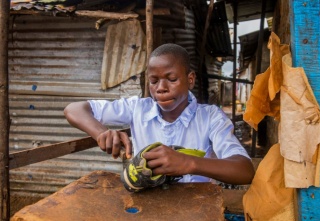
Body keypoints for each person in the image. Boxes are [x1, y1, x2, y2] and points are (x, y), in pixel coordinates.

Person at [64, 43, 255, 185]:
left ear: (190, 80)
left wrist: (189, 163)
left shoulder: (210, 117)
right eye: (154, 81)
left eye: (171, 79)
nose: (161, 88)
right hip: (147, 204)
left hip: (194, 208)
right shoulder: (137, 108)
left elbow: (245, 170)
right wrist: (101, 133)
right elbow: (73, 109)